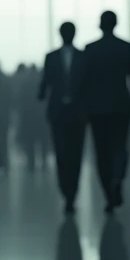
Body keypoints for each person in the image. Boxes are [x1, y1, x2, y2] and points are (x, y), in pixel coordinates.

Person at [83, 11, 130, 212]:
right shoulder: (125, 47)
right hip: (120, 106)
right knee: (119, 146)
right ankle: (117, 177)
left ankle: (109, 193)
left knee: (101, 152)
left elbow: (83, 82)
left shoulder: (90, 49)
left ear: (100, 26)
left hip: (97, 109)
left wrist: (84, 110)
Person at [39, 22, 87, 213]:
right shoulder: (52, 57)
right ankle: (67, 192)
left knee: (74, 154)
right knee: (62, 153)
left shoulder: (82, 57)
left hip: (77, 113)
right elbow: (45, 82)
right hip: (59, 113)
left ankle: (71, 193)